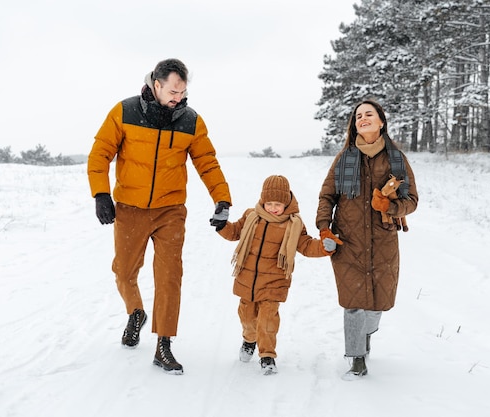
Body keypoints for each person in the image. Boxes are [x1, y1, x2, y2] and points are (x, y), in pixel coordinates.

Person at [87, 58, 232, 375]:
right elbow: (100, 153)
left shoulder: (191, 121)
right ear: (156, 83)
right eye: (173, 90)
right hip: (130, 208)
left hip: (170, 211)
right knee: (124, 271)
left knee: (169, 277)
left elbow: (207, 163)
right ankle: (136, 312)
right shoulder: (125, 112)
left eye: (182, 91)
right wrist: (101, 193)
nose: (178, 97)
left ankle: (163, 345)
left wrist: (222, 199)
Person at [316, 98, 418, 380]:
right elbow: (327, 196)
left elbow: (412, 200)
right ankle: (357, 359)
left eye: (369, 114)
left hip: (383, 242)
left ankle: (367, 334)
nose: (362, 118)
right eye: (358, 115)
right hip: (347, 241)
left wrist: (390, 207)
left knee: (377, 305)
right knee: (353, 303)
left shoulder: (396, 159)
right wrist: (325, 228)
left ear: (381, 121)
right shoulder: (344, 158)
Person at [216, 175, 341, 375]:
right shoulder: (251, 216)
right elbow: (234, 233)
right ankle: (249, 340)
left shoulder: (293, 224)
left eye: (278, 204)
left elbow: (306, 245)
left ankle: (267, 356)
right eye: (269, 203)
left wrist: (324, 247)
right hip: (247, 279)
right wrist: (222, 225)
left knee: (267, 320)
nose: (273, 208)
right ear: (262, 201)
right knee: (247, 318)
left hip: (274, 282)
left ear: (287, 203)